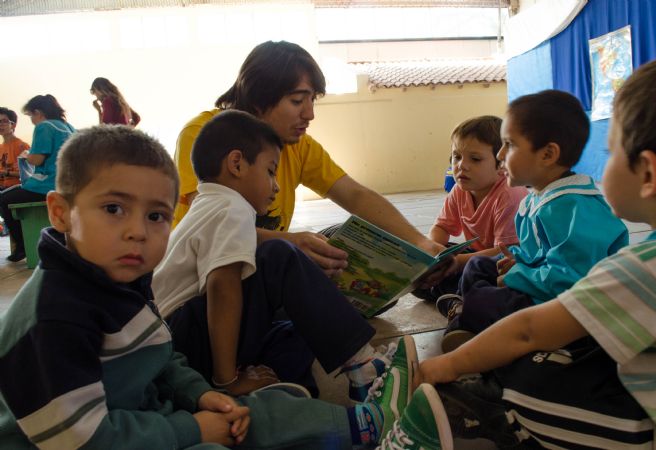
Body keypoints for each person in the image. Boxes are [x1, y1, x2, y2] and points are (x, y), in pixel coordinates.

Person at [0, 124, 454, 450]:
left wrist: (201, 395)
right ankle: (361, 395)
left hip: (145, 414)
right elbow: (81, 439)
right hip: (90, 437)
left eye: (156, 215)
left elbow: (160, 355)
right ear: (60, 213)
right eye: (114, 209)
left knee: (251, 413)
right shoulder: (51, 318)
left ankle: (372, 426)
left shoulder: (119, 279)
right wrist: (195, 424)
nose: (138, 231)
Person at [416, 52, 656, 449]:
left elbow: (531, 328)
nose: (502, 157)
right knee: (491, 296)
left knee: (530, 372)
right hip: (605, 334)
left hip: (652, 426)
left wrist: (447, 365)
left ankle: (501, 414)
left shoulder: (648, 263)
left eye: (610, 152)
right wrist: (515, 263)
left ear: (647, 173)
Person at [154, 111, 407, 401]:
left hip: (181, 345)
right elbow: (222, 289)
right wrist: (227, 379)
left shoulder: (208, 207)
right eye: (271, 171)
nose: (276, 186)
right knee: (280, 255)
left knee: (296, 331)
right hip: (185, 341)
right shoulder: (230, 207)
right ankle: (363, 366)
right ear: (237, 164)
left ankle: (281, 397)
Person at [172, 40, 442, 278]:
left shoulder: (297, 146)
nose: (310, 114)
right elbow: (212, 229)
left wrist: (418, 242)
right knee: (287, 254)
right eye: (297, 101)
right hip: (205, 277)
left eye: (312, 99)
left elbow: (355, 195)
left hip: (264, 262)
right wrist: (290, 243)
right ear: (258, 99)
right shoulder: (202, 135)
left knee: (347, 246)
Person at [436, 90, 629, 353]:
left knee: (480, 300)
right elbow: (536, 253)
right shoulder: (538, 196)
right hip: (537, 284)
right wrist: (516, 261)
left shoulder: (572, 206)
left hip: (567, 307)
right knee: (478, 265)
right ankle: (467, 322)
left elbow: (569, 280)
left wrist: (516, 274)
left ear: (547, 155)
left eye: (510, 145)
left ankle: (468, 325)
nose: (501, 154)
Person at [412, 115, 529, 303]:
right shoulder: (460, 190)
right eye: (456, 157)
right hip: (476, 256)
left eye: (475, 159)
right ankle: (455, 295)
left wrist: (456, 263)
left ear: (501, 164)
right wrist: (433, 255)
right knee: (420, 270)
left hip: (506, 263)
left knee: (476, 272)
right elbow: (441, 228)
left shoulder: (509, 195)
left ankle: (457, 299)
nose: (461, 166)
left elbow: (505, 251)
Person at [0, 95, 75, 262]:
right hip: (69, 184)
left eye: (31, 116)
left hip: (47, 184)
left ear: (38, 112)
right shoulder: (68, 127)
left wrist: (27, 156)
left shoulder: (44, 127)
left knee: (4, 198)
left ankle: (22, 246)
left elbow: (37, 159)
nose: (32, 121)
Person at [0, 107, 30, 189]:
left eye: (4, 121)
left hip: (17, 187)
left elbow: (30, 173)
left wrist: (6, 173)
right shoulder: (0, 148)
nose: (1, 124)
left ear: (13, 125)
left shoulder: (22, 146)